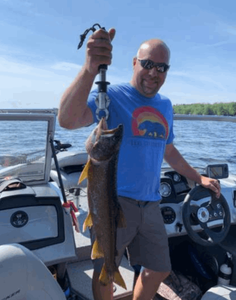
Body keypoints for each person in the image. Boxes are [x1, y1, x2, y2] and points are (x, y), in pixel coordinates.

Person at [58, 28, 221, 300]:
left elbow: (168, 149)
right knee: (106, 272)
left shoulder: (166, 105)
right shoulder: (112, 96)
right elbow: (68, 119)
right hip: (112, 201)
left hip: (151, 203)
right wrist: (89, 70)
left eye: (162, 67)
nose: (154, 72)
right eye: (147, 64)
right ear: (134, 62)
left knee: (158, 269)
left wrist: (198, 177)